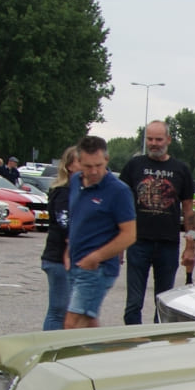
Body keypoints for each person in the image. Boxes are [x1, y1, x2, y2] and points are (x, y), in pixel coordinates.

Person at [119, 120, 195, 324]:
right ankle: (132, 341)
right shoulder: (134, 166)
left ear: (168, 140)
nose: (154, 143)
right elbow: (121, 205)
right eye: (150, 139)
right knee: (133, 302)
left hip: (168, 244)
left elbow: (189, 211)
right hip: (138, 242)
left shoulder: (181, 169)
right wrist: (118, 244)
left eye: (158, 139)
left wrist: (190, 246)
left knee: (164, 302)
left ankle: (157, 342)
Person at [64, 136, 137, 329]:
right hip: (77, 263)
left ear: (107, 159)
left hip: (97, 269)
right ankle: (102, 356)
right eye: (88, 166)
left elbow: (129, 234)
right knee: (89, 322)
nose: (94, 171)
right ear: (78, 162)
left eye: (99, 165)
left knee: (73, 325)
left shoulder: (118, 191)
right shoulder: (75, 182)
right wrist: (68, 249)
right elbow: (76, 220)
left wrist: (96, 257)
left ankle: (74, 359)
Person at [40, 146, 80, 330]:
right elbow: (65, 222)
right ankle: (48, 349)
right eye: (81, 162)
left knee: (68, 311)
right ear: (70, 166)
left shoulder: (79, 191)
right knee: (58, 311)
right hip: (58, 258)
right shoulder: (63, 191)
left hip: (72, 258)